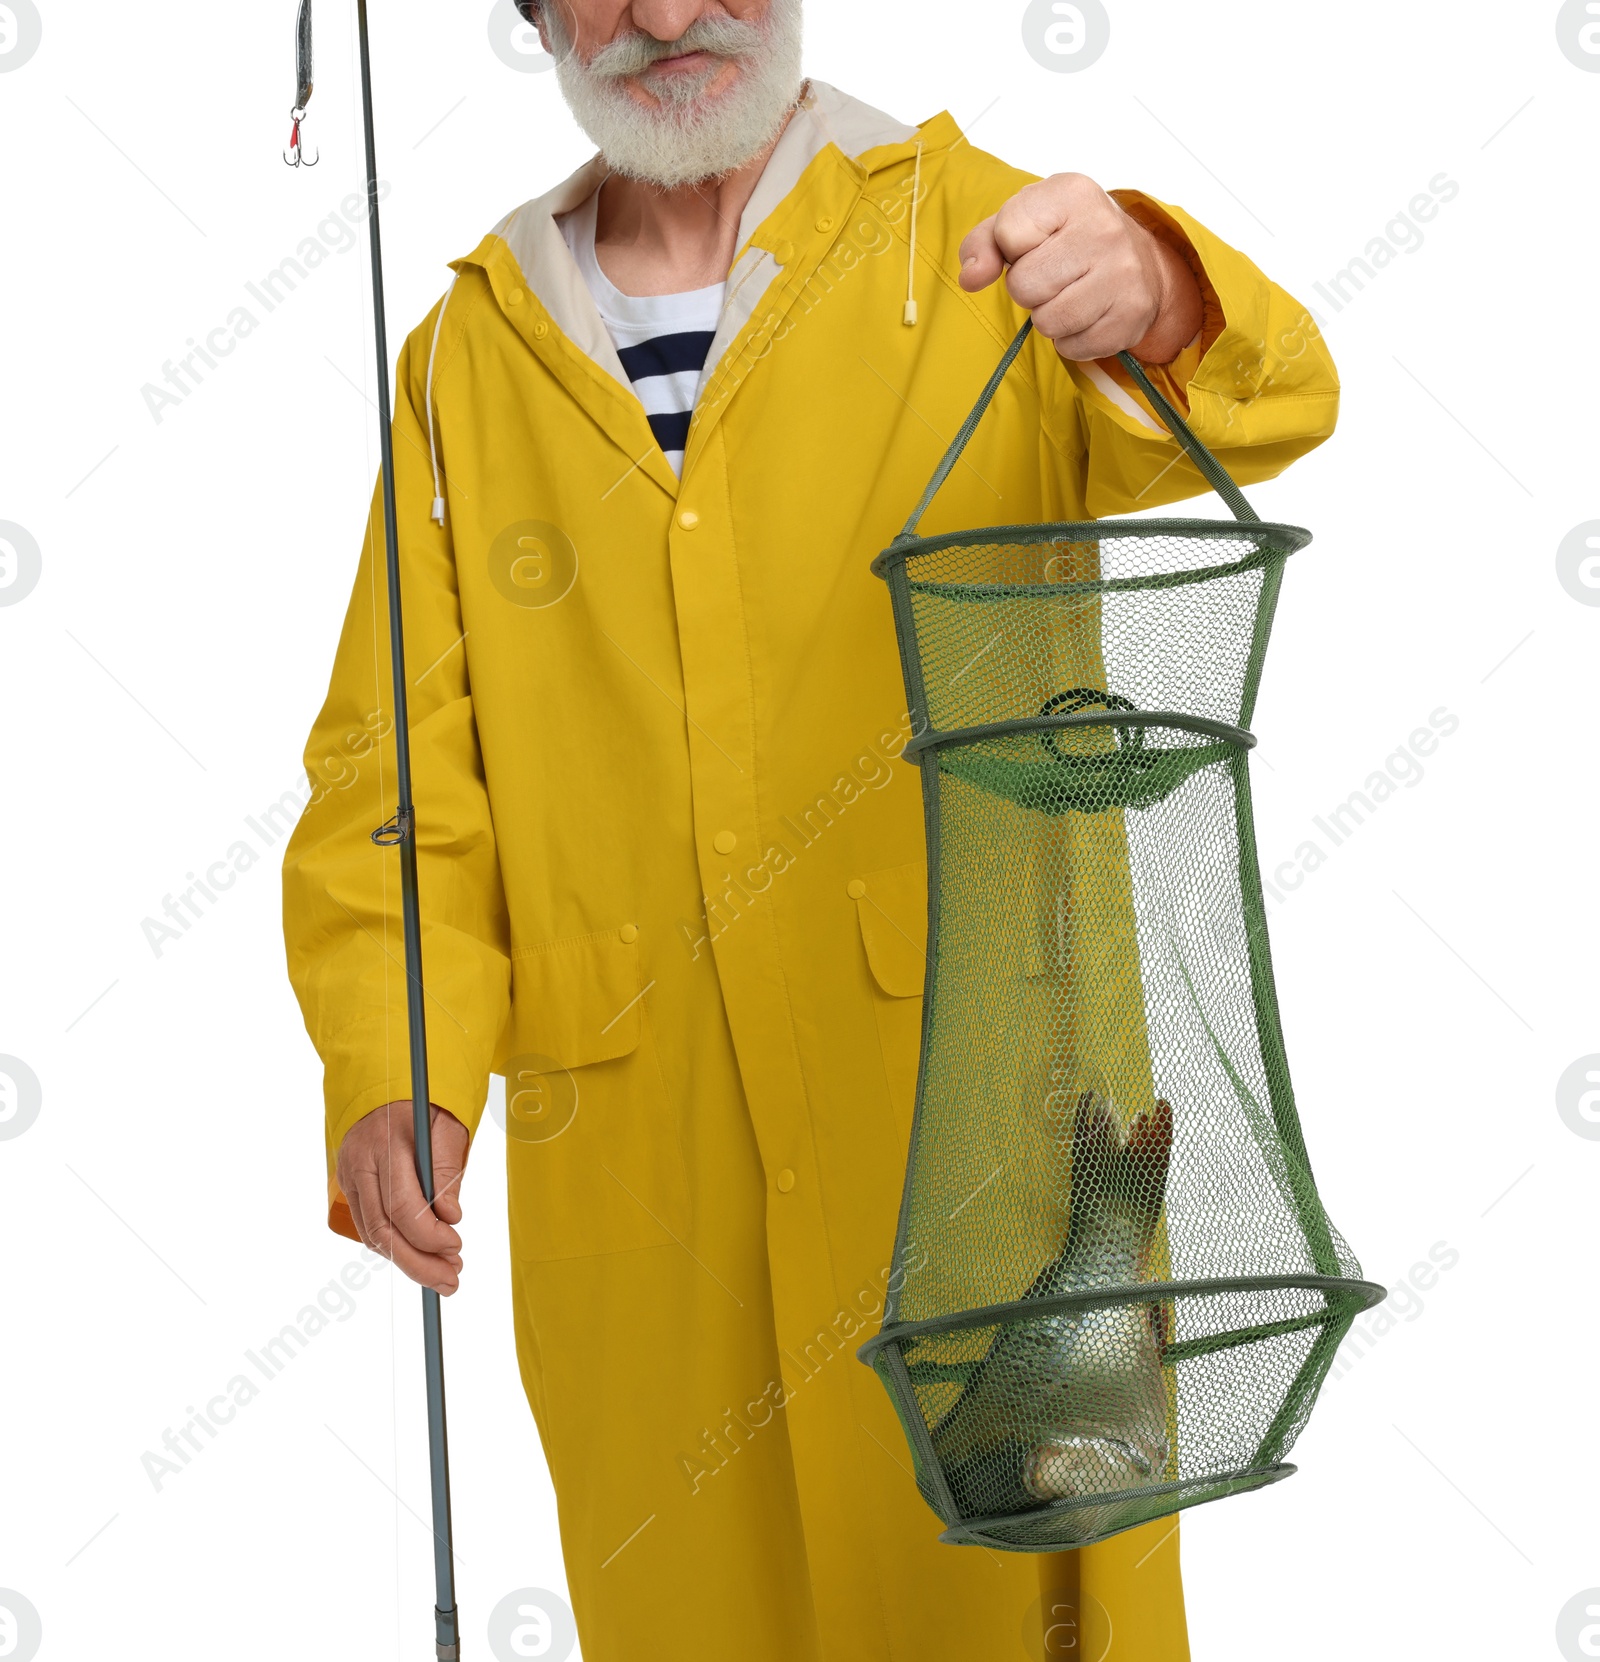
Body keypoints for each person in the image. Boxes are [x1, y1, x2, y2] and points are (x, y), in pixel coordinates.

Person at [282, 2, 1338, 1657]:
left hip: (981, 1134)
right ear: (540, 14)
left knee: (1008, 1612)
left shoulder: (979, 240)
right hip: (638, 1174)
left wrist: (1157, 283)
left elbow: (1273, 400)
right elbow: (394, 785)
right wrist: (391, 1061)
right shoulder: (467, 360)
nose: (669, 16)